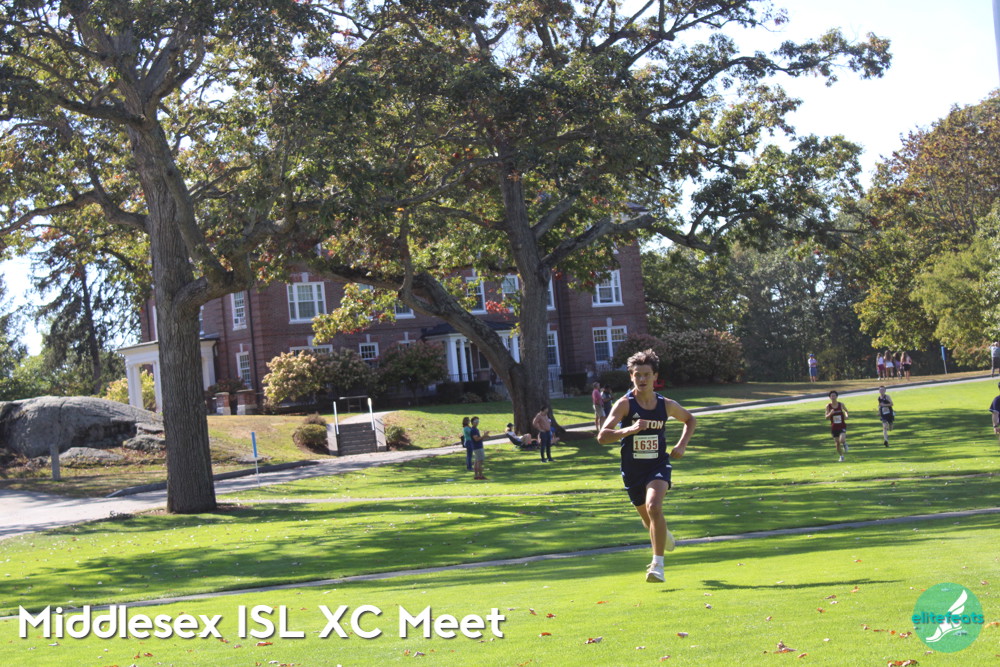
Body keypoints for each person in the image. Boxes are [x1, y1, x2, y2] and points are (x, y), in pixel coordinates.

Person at [598, 348, 696, 584]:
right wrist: (629, 430)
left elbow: (690, 419)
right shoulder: (624, 405)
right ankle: (664, 534)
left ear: (655, 376)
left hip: (658, 465)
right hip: (632, 470)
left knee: (654, 507)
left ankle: (657, 566)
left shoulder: (665, 405)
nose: (642, 379)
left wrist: (682, 445)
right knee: (648, 518)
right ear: (631, 376)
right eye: (637, 375)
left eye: (646, 374)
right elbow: (602, 436)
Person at [825, 390, 849, 462]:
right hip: (834, 427)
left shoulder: (841, 404)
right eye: (831, 396)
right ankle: (841, 456)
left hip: (842, 425)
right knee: (837, 444)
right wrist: (830, 413)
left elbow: (846, 411)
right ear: (830, 397)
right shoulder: (828, 406)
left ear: (836, 396)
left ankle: (845, 444)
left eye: (834, 396)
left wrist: (846, 416)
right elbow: (826, 417)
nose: (833, 397)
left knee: (841, 440)